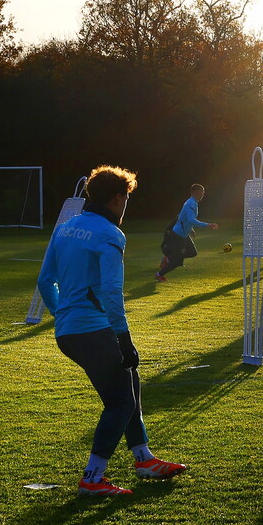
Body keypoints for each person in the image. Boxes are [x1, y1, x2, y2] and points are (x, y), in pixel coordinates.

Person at [38, 166, 187, 496]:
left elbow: (45, 282)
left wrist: (63, 314)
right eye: (126, 198)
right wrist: (124, 339)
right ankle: (92, 478)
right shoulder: (110, 234)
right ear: (118, 198)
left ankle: (144, 457)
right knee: (120, 402)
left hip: (69, 332)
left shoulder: (64, 229)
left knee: (129, 384)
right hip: (93, 331)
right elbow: (110, 291)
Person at [155, 183, 217, 281]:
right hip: (178, 235)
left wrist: (190, 229)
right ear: (196, 192)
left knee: (192, 252)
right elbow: (191, 220)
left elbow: (183, 218)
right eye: (202, 192)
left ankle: (168, 259)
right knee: (177, 261)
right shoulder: (191, 203)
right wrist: (207, 225)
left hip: (183, 234)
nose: (203, 195)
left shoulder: (192, 202)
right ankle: (159, 274)